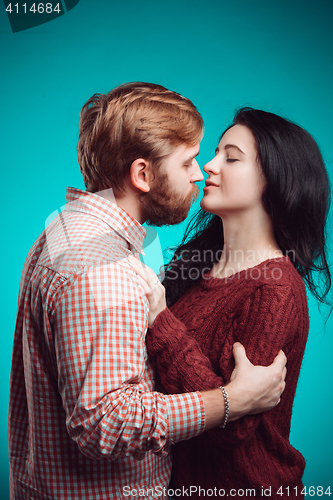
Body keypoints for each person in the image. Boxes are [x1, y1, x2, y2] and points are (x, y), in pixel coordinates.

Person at [8, 86, 287, 500]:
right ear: (142, 175)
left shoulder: (61, 231)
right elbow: (106, 423)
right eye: (188, 161)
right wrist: (232, 400)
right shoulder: (105, 271)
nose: (199, 173)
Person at [131, 108, 331, 499]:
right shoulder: (196, 266)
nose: (209, 165)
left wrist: (161, 320)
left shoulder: (275, 290)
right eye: (216, 153)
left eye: (231, 157)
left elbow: (233, 429)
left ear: (274, 180)